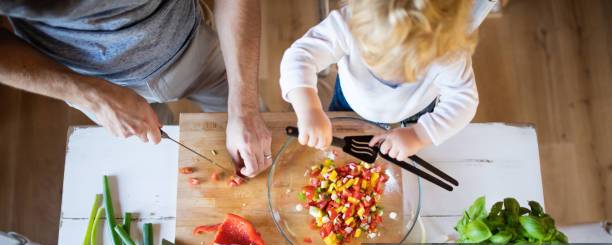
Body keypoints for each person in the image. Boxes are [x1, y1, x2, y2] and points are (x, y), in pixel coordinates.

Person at [0, 0, 272, 178]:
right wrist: (90, 96)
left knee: (257, 143)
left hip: (192, 44)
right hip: (88, 81)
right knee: (162, 166)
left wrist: (244, 108)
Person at [280, 0, 479, 161]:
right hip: (350, 103)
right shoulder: (351, 23)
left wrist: (420, 135)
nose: (391, 82)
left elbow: (463, 100)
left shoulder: (449, 50)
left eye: (409, 73)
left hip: (414, 113)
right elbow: (300, 56)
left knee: (403, 151)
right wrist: (309, 109)